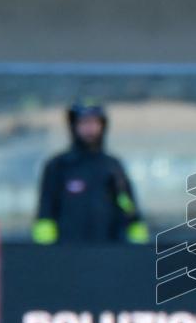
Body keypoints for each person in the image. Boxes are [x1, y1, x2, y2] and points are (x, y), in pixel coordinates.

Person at [33, 100, 149, 244]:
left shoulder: (112, 166)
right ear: (73, 126)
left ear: (103, 126)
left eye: (94, 122)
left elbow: (127, 204)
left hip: (108, 251)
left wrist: (137, 240)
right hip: (67, 253)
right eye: (84, 122)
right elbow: (46, 210)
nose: (90, 128)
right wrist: (46, 252)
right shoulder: (58, 166)